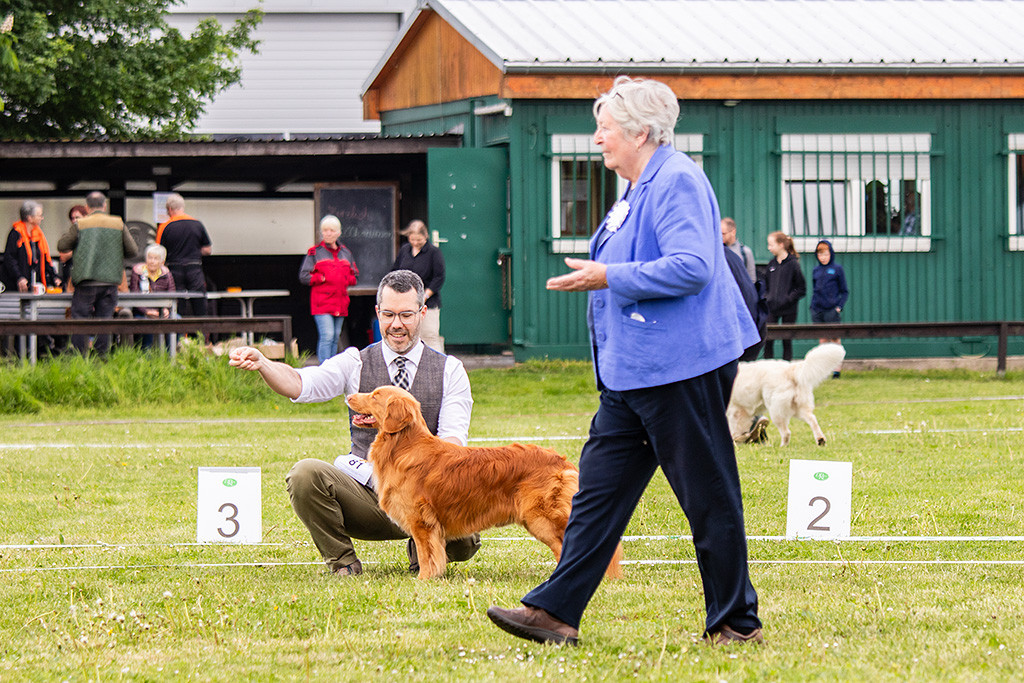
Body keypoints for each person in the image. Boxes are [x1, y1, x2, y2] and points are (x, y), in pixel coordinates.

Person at [486, 76, 763, 647]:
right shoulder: (637, 187)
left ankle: (735, 623)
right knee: (596, 496)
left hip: (681, 369)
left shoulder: (677, 180)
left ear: (640, 132)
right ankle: (556, 612)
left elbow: (693, 265)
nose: (596, 140)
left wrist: (608, 275)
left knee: (708, 496)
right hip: (633, 372)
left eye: (604, 128)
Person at [228, 269, 480, 577]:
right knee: (305, 474)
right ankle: (343, 562)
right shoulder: (355, 362)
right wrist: (264, 364)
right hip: (370, 496)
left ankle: (423, 548)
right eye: (388, 314)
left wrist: (415, 491)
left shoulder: (450, 370)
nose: (396, 325)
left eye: (406, 315)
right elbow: (300, 384)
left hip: (427, 496)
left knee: (465, 539)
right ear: (377, 312)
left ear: (422, 313)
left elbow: (454, 444)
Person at [57, 192, 138, 355]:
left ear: (87, 207)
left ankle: (80, 358)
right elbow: (132, 251)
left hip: (85, 282)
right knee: (105, 321)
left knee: (80, 320)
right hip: (109, 282)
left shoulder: (80, 224)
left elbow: (62, 245)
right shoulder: (117, 223)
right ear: (105, 205)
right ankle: (101, 358)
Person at [299, 215, 358, 363]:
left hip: (340, 301)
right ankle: (324, 369)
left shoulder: (346, 253)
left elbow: (354, 276)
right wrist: (321, 278)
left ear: (338, 232)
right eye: (325, 230)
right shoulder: (314, 252)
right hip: (322, 302)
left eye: (332, 230)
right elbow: (304, 276)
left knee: (335, 336)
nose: (328, 233)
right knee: (327, 335)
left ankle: (331, 368)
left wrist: (343, 279)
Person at [390, 219, 446, 352]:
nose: (415, 243)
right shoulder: (404, 250)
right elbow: (395, 270)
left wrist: (425, 295)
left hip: (428, 301)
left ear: (425, 236)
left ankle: (437, 367)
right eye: (412, 239)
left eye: (419, 240)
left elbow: (439, 277)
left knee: (429, 335)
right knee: (409, 336)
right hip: (406, 301)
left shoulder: (434, 252)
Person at [156, 192, 211, 316]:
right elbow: (207, 250)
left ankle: (178, 334)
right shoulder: (197, 224)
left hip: (174, 269)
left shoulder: (165, 226)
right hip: (195, 268)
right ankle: (201, 333)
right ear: (182, 207)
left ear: (169, 209)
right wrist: (194, 250)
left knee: (177, 304)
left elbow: (159, 252)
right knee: (199, 303)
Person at [762, 231, 806, 361]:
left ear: (781, 245)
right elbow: (767, 285)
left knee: (787, 339)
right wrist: (767, 297)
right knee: (768, 339)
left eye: (771, 245)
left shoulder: (793, 264)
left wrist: (788, 299)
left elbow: (801, 288)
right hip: (772, 307)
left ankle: (787, 367)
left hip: (789, 309)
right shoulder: (771, 264)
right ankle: (768, 368)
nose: (769, 248)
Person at [3, 200, 61, 293]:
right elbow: (10, 258)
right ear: (29, 218)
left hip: (36, 283)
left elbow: (45, 258)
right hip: (18, 286)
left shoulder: (38, 234)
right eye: (39, 215)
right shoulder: (16, 233)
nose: (42, 218)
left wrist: (54, 277)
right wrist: (19, 277)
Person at [810, 239, 849, 376]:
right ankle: (824, 370)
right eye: (820, 255)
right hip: (817, 309)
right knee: (822, 339)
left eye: (825, 254)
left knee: (834, 339)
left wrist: (839, 306)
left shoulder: (837, 269)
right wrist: (813, 306)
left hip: (831, 309)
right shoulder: (816, 270)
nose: (823, 257)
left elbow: (844, 291)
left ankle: (836, 369)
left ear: (830, 254)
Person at [129, 244, 176, 349]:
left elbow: (172, 295)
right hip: (143, 313)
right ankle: (146, 357)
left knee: (177, 320)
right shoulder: (138, 272)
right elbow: (134, 296)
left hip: (162, 312)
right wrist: (147, 311)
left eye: (155, 259)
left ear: (162, 262)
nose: (152, 261)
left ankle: (172, 355)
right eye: (150, 258)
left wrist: (166, 309)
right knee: (148, 325)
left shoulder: (167, 274)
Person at [58, 204, 88, 291]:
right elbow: (63, 257)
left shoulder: (90, 235)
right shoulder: (68, 236)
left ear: (85, 217)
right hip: (70, 275)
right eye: (72, 218)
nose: (74, 220)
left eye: (77, 217)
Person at [721, 217, 756, 282]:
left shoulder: (745, 252)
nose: (721, 236)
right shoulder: (717, 252)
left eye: (723, 233)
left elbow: (752, 279)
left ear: (733, 232)